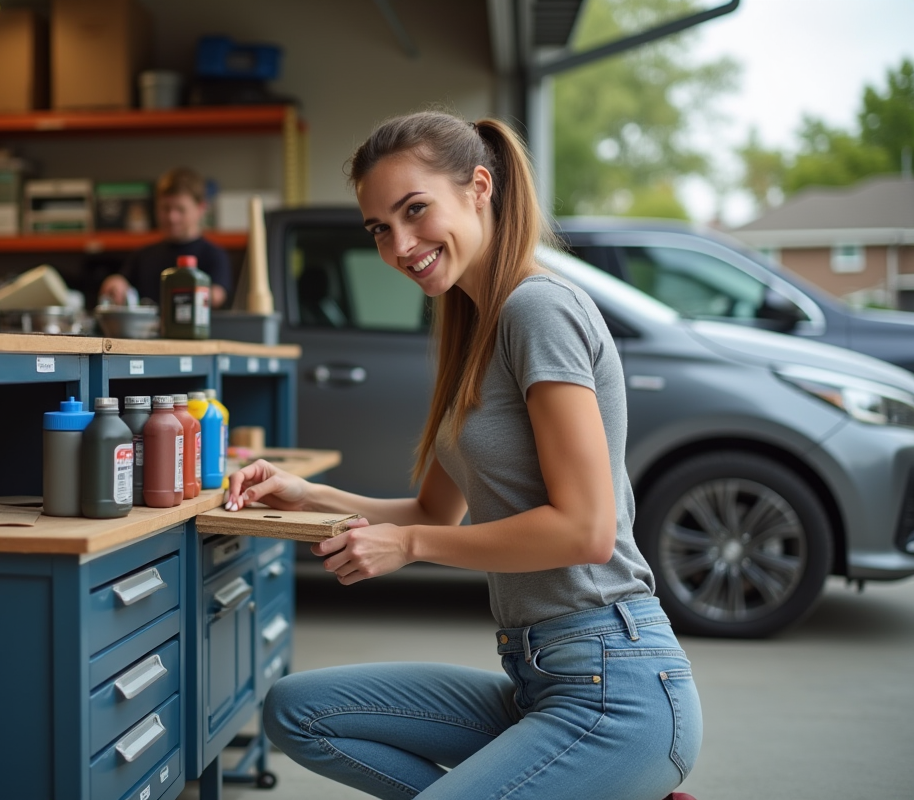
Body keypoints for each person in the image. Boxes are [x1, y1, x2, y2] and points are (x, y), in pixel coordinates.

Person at [223, 111, 703, 800]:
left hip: (616, 687)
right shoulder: (473, 330)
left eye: (415, 210)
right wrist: (309, 496)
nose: (400, 245)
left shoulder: (539, 310)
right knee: (296, 710)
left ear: (479, 187)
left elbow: (586, 531)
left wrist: (409, 546)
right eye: (379, 228)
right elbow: (431, 512)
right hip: (539, 678)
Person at [99, 167, 233, 308]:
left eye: (180, 209)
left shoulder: (214, 255)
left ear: (201, 208)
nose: (171, 217)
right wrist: (115, 283)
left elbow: (216, 296)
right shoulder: (143, 256)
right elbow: (122, 282)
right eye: (165, 208)